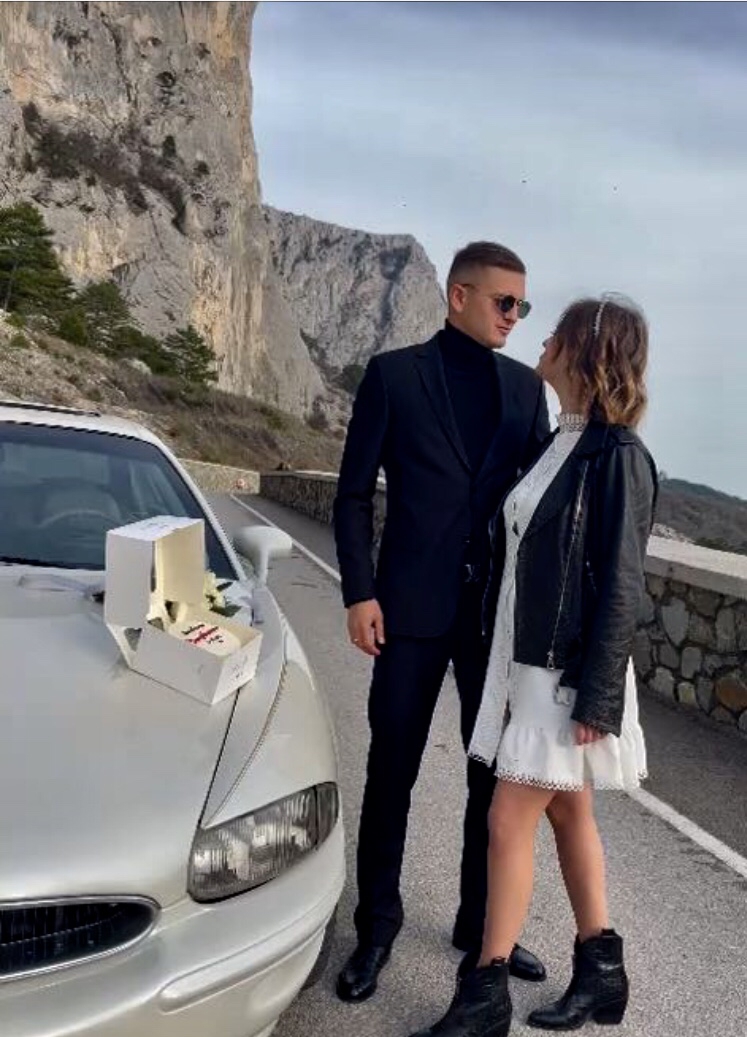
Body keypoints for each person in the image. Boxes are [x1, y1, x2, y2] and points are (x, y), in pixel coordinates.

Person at [407, 295, 657, 1037]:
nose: (540, 338)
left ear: (586, 350)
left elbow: (622, 584)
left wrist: (598, 696)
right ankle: (601, 973)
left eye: (557, 332)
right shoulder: (560, 442)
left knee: (506, 815)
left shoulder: (617, 457)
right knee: (567, 809)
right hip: (526, 661)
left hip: (566, 672)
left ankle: (484, 996)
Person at [333, 241, 551, 1004]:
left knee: (489, 778)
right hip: (406, 610)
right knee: (391, 769)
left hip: (491, 622)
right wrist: (359, 593)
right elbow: (351, 493)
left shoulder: (524, 391)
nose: (514, 317)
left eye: (522, 306)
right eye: (503, 302)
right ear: (459, 295)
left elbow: (542, 499)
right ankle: (375, 927)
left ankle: (479, 922)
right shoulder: (394, 376)